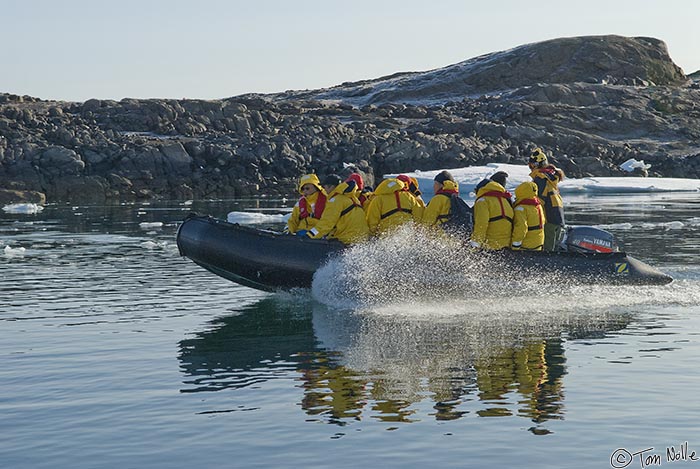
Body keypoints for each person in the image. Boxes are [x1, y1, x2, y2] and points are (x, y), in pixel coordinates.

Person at [306, 174, 369, 244]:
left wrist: (310, 235)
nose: (323, 189)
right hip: (361, 239)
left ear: (331, 187)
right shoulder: (351, 197)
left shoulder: (335, 200)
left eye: (324, 186)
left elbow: (326, 223)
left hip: (347, 240)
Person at [528, 148, 566, 251]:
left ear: (537, 165)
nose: (531, 168)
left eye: (532, 165)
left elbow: (538, 201)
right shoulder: (550, 178)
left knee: (547, 251)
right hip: (558, 219)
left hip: (549, 219)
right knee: (554, 250)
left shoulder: (540, 178)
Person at [470, 171, 513, 250]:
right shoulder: (506, 200)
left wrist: (475, 244)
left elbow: (481, 224)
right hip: (507, 246)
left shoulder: (483, 201)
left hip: (490, 246)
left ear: (480, 189)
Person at [511, 181, 545, 251]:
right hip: (539, 242)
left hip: (526, 245)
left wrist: (515, 246)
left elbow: (521, 228)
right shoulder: (538, 206)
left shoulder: (521, 208)